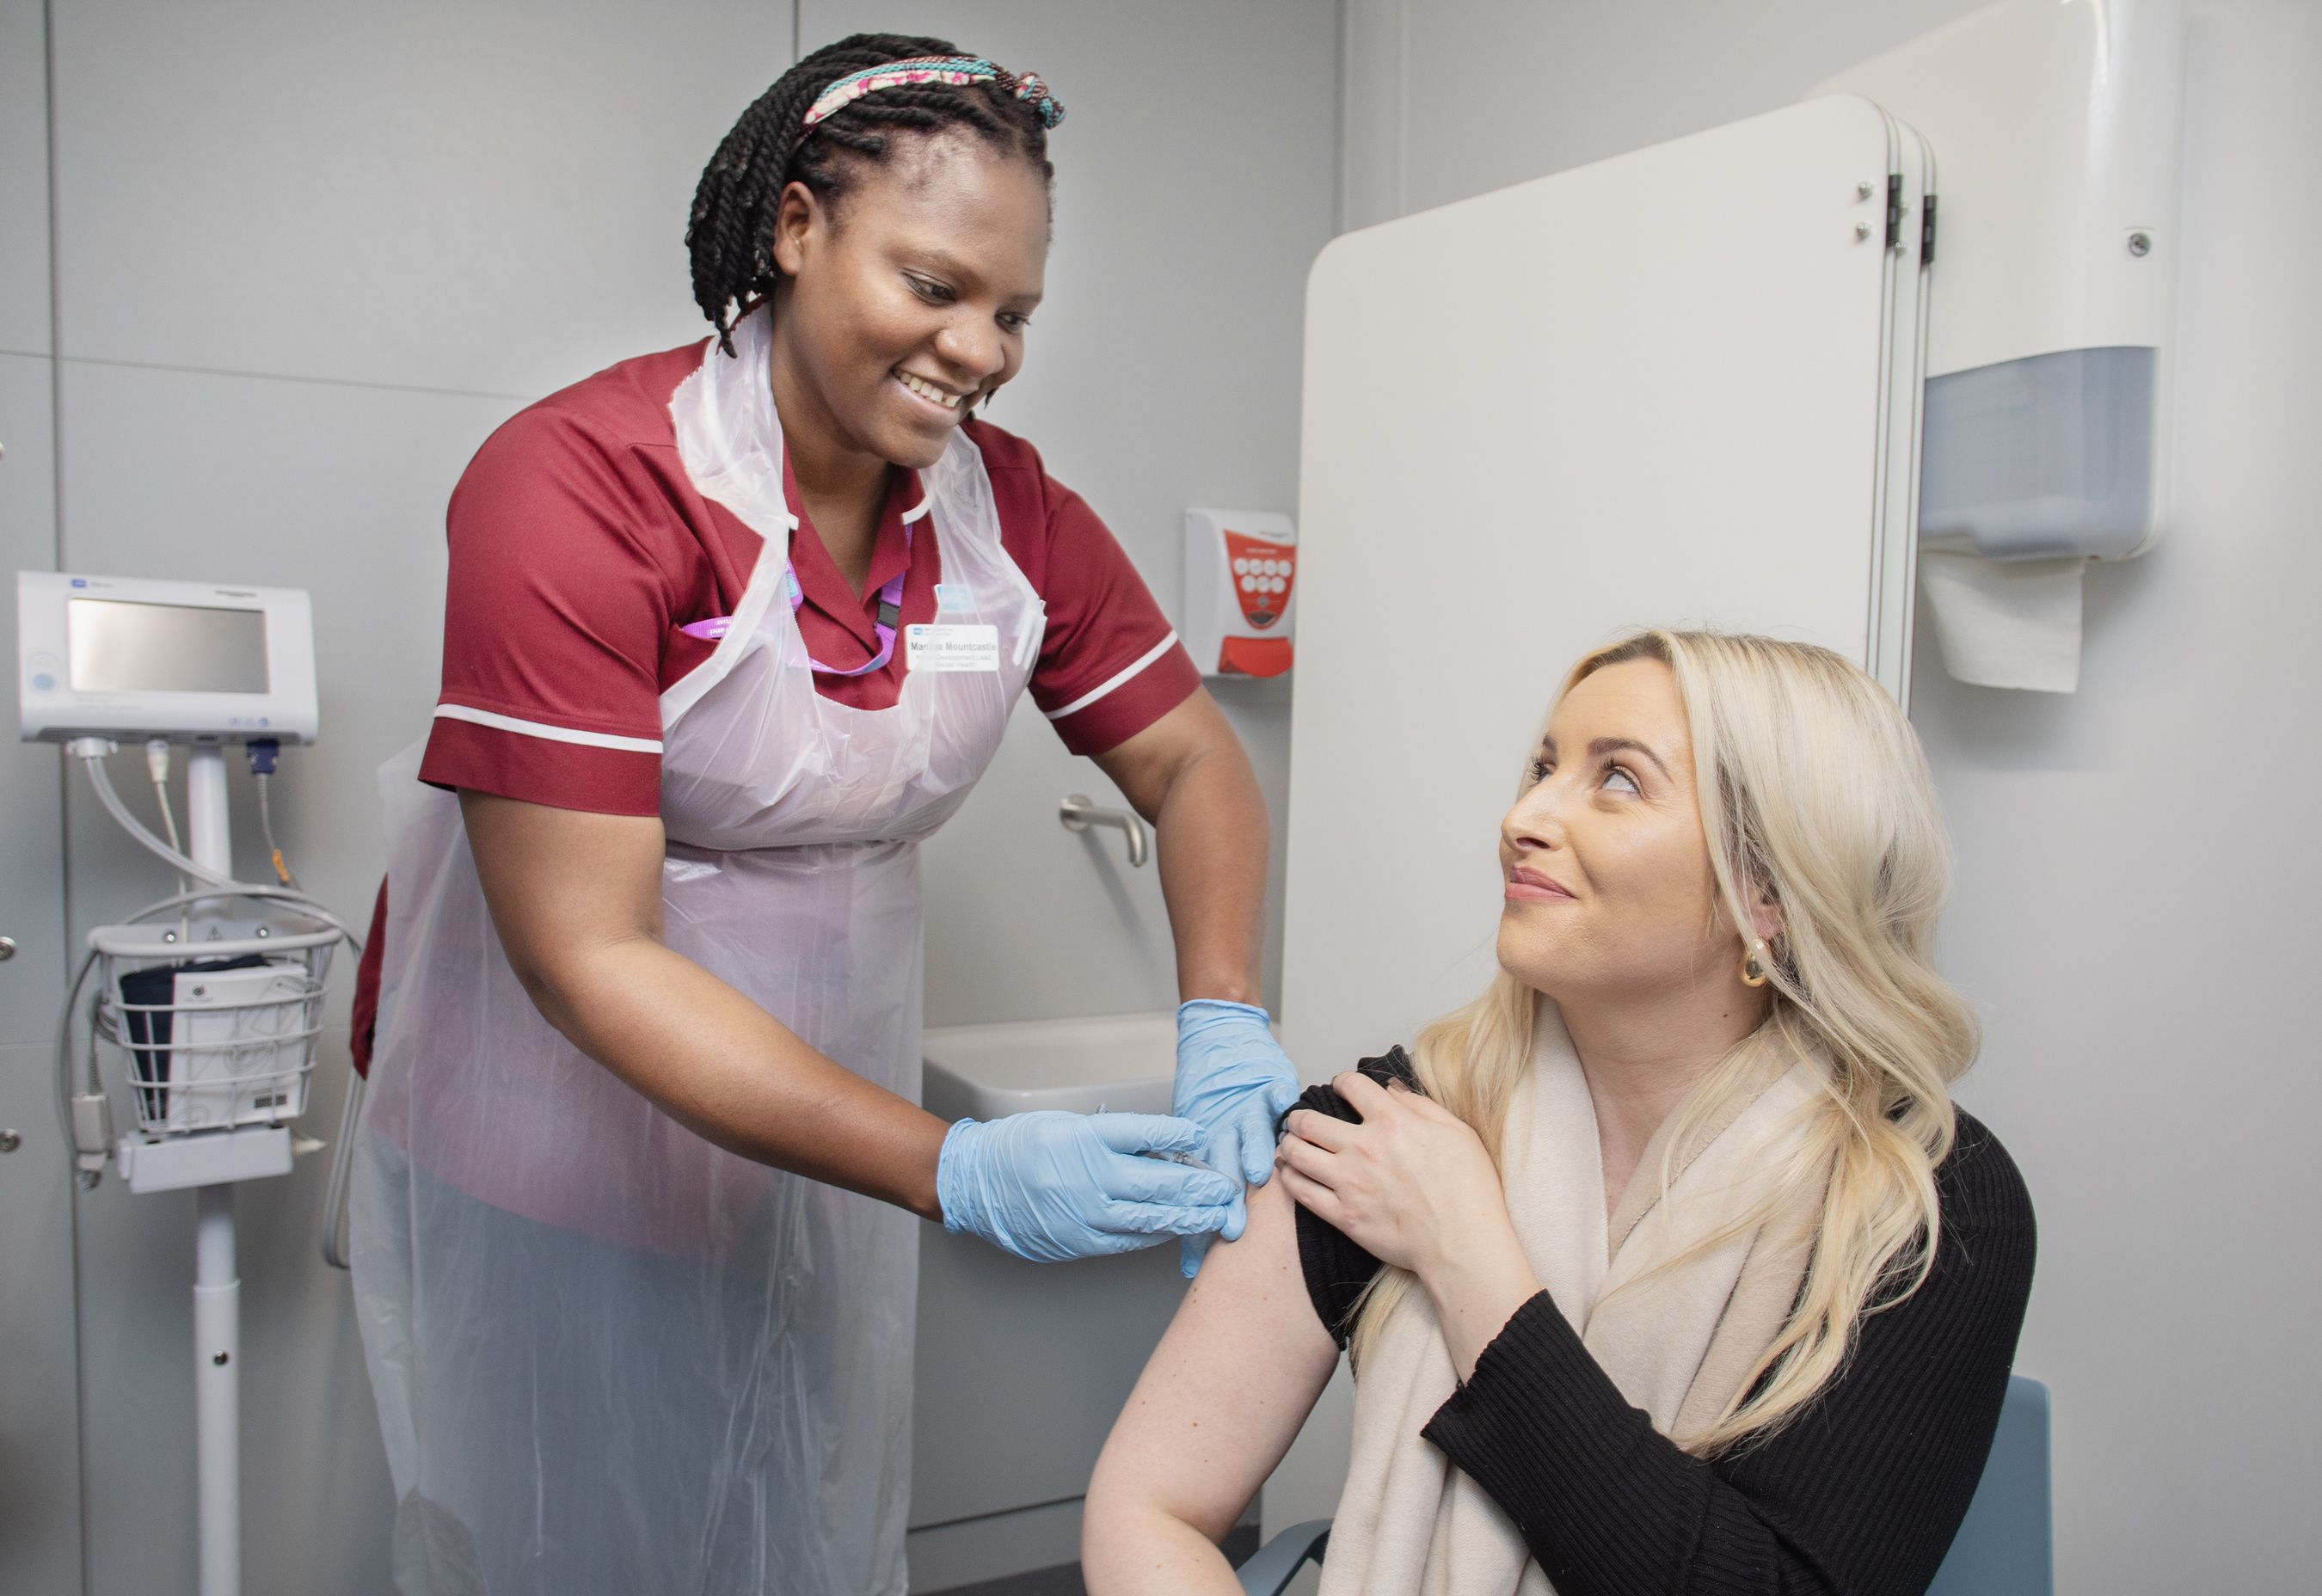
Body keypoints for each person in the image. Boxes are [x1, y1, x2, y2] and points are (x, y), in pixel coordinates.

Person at [346, 35, 1299, 1596]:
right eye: (934, 287)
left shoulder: (1012, 515)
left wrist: (1223, 1014)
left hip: (819, 1124)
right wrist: (960, 1170)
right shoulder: (581, 487)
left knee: (797, 1514)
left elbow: (1195, 763)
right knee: (574, 1533)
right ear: (794, 228)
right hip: (560, 1116)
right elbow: (585, 956)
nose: (979, 349)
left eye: (1014, 313)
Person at [1084, 629, 2037, 1595]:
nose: (1524, 815)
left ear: (1770, 889)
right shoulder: (1393, 1124)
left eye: (1618, 780)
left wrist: (1469, 1259)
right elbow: (1147, 1505)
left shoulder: (1923, 1199)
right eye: (1542, 767)